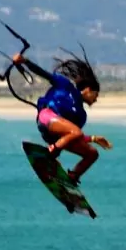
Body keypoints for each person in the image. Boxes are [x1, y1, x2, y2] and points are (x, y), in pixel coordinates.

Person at [15, 51, 112, 186]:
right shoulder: (66, 86)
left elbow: (73, 136)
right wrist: (25, 61)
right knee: (75, 132)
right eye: (96, 95)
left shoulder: (81, 115)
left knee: (92, 153)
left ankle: (72, 177)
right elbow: (43, 73)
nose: (95, 100)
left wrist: (93, 139)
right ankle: (50, 154)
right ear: (88, 90)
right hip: (46, 118)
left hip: (55, 137)